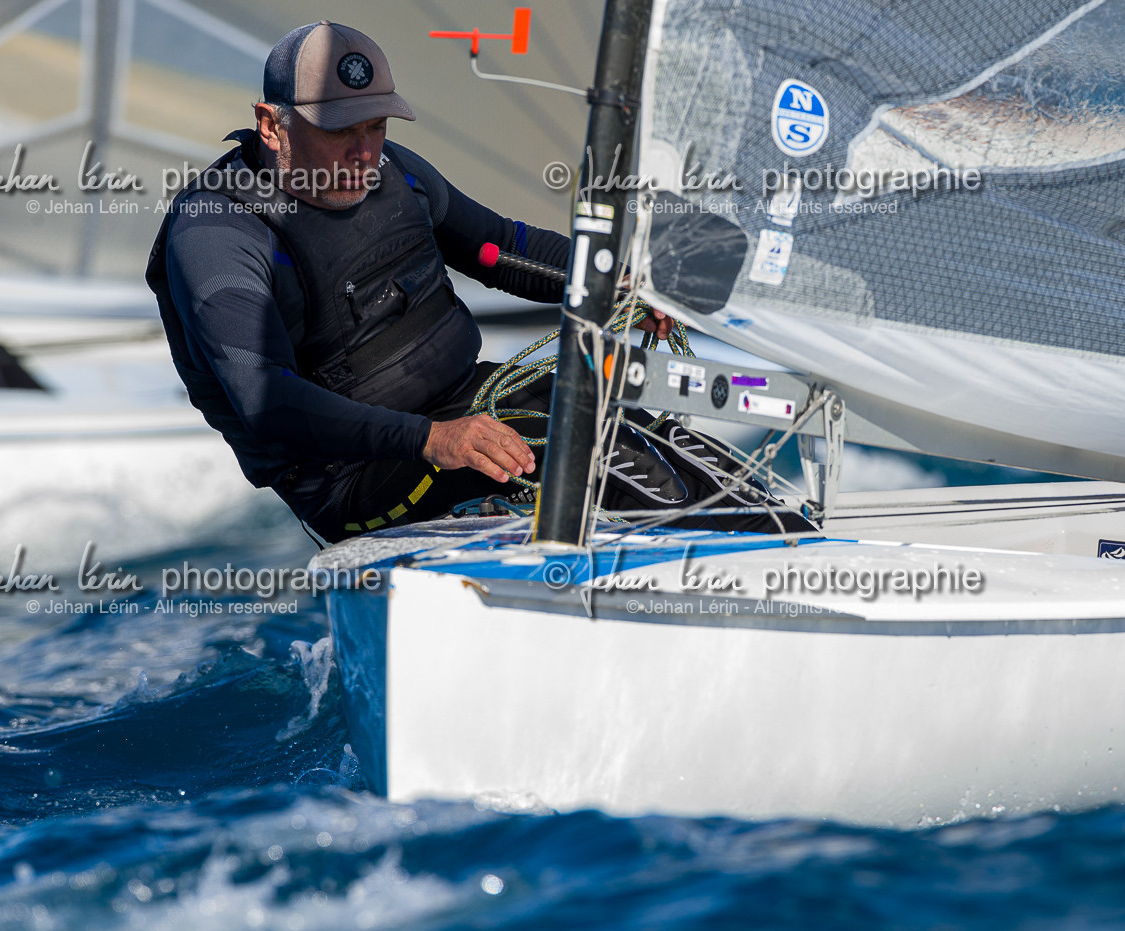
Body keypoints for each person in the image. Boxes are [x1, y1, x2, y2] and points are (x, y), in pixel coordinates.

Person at [146, 20, 804, 542]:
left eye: (376, 127)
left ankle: (778, 543)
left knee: (630, 425)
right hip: (358, 475)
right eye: (341, 131)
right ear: (272, 125)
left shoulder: (392, 171)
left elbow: (498, 247)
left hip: (465, 401)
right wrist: (432, 439)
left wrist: (620, 286)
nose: (365, 152)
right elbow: (268, 403)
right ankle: (710, 572)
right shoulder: (217, 234)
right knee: (573, 446)